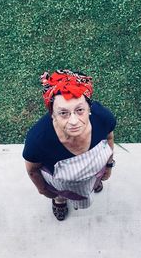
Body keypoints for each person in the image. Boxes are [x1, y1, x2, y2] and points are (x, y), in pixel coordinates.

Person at [22, 69, 116, 221]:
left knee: (94, 182)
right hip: (63, 184)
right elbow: (33, 171)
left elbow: (110, 138)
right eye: (63, 113)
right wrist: (45, 191)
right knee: (60, 193)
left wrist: (109, 167)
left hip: (96, 171)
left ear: (89, 109)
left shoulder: (103, 118)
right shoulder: (38, 140)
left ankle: (93, 184)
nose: (73, 121)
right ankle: (60, 200)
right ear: (52, 113)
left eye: (79, 110)